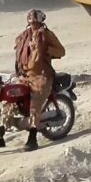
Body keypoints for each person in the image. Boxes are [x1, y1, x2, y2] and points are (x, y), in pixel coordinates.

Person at [12, 9, 65, 152]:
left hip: (42, 77)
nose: (34, 25)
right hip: (24, 76)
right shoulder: (24, 35)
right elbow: (16, 45)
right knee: (10, 100)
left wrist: (45, 49)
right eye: (32, 23)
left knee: (34, 105)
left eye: (36, 23)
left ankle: (33, 137)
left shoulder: (47, 35)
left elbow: (61, 51)